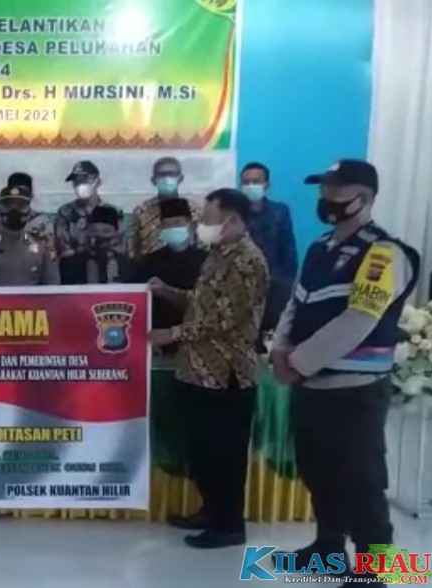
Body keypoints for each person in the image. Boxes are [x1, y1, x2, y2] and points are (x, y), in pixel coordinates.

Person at [270, 161, 419, 588]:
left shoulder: (384, 253)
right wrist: (279, 349)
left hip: (354, 389)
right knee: (319, 472)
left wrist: (299, 361)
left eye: (337, 190)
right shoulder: (320, 248)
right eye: (325, 189)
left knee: (360, 480)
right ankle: (328, 549)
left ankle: (375, 570)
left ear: (364, 198)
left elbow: (359, 320)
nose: (326, 198)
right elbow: (296, 302)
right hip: (312, 386)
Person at [149, 188, 268, 550]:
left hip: (227, 374)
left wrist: (171, 333)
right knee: (202, 450)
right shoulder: (218, 255)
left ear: (232, 219)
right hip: (197, 371)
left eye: (209, 218)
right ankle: (211, 511)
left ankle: (229, 525)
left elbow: (223, 319)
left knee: (224, 454)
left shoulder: (247, 261)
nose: (203, 225)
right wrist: (167, 292)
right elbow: (202, 303)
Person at [241, 162, 298, 341]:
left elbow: (289, 253)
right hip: (243, 288)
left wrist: (284, 286)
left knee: (271, 339)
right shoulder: (235, 215)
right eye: (246, 182)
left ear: (267, 185)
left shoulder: (280, 212)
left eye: (255, 181)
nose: (250, 186)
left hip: (275, 288)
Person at [138, 198, 209, 337]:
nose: (172, 229)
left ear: (190, 225)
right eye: (167, 225)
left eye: (177, 223)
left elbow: (206, 304)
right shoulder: (148, 262)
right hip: (157, 337)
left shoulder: (207, 260)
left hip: (195, 337)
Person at [0, 186, 59, 286]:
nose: (14, 210)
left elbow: (52, 288)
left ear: (29, 212)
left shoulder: (43, 246)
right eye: (8, 205)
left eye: (21, 206)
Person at [128, 157, 203, 259]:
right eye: (161, 175)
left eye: (172, 174)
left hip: (189, 265)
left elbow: (202, 245)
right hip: (150, 266)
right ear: (153, 180)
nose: (167, 178)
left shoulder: (194, 209)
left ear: (181, 178)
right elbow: (132, 247)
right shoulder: (142, 211)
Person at [55, 160, 122, 261]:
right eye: (76, 181)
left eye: (85, 180)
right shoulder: (65, 213)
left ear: (98, 182)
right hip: (75, 265)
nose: (80, 185)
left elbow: (119, 247)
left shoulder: (113, 212)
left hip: (108, 264)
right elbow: (63, 249)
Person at [59, 204, 135, 285]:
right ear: (86, 232)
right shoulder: (67, 265)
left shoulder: (129, 266)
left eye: (106, 231)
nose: (99, 235)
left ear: (116, 233)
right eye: (94, 230)